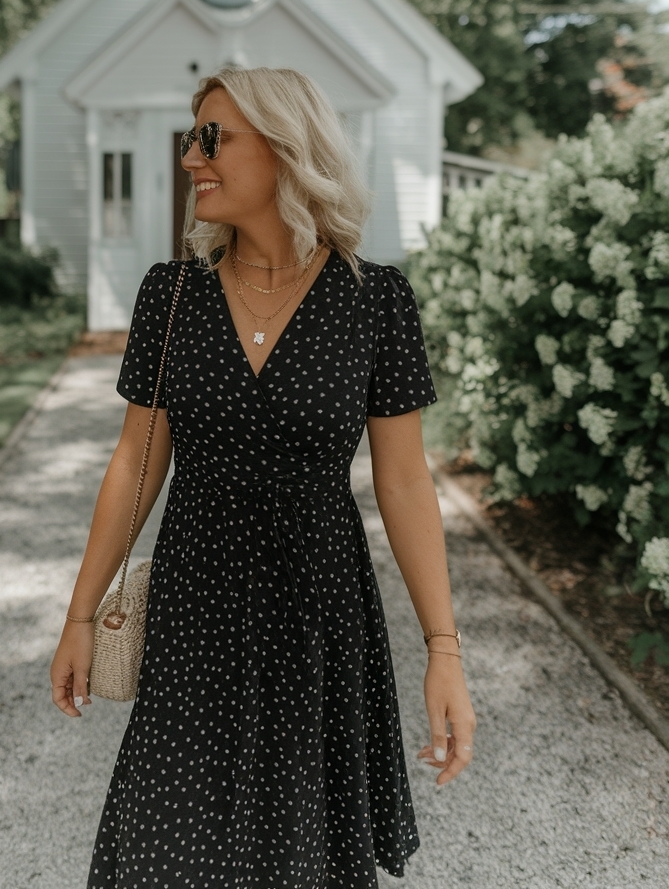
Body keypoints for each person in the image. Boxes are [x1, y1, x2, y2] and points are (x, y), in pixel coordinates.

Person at [50, 65, 476, 888]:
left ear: (287, 148)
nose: (191, 157)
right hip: (193, 609)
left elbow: (404, 483)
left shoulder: (375, 300)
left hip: (319, 615)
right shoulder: (171, 294)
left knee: (299, 852)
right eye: (192, 138)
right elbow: (134, 461)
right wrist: (79, 615)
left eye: (213, 138)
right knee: (169, 848)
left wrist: (444, 651)